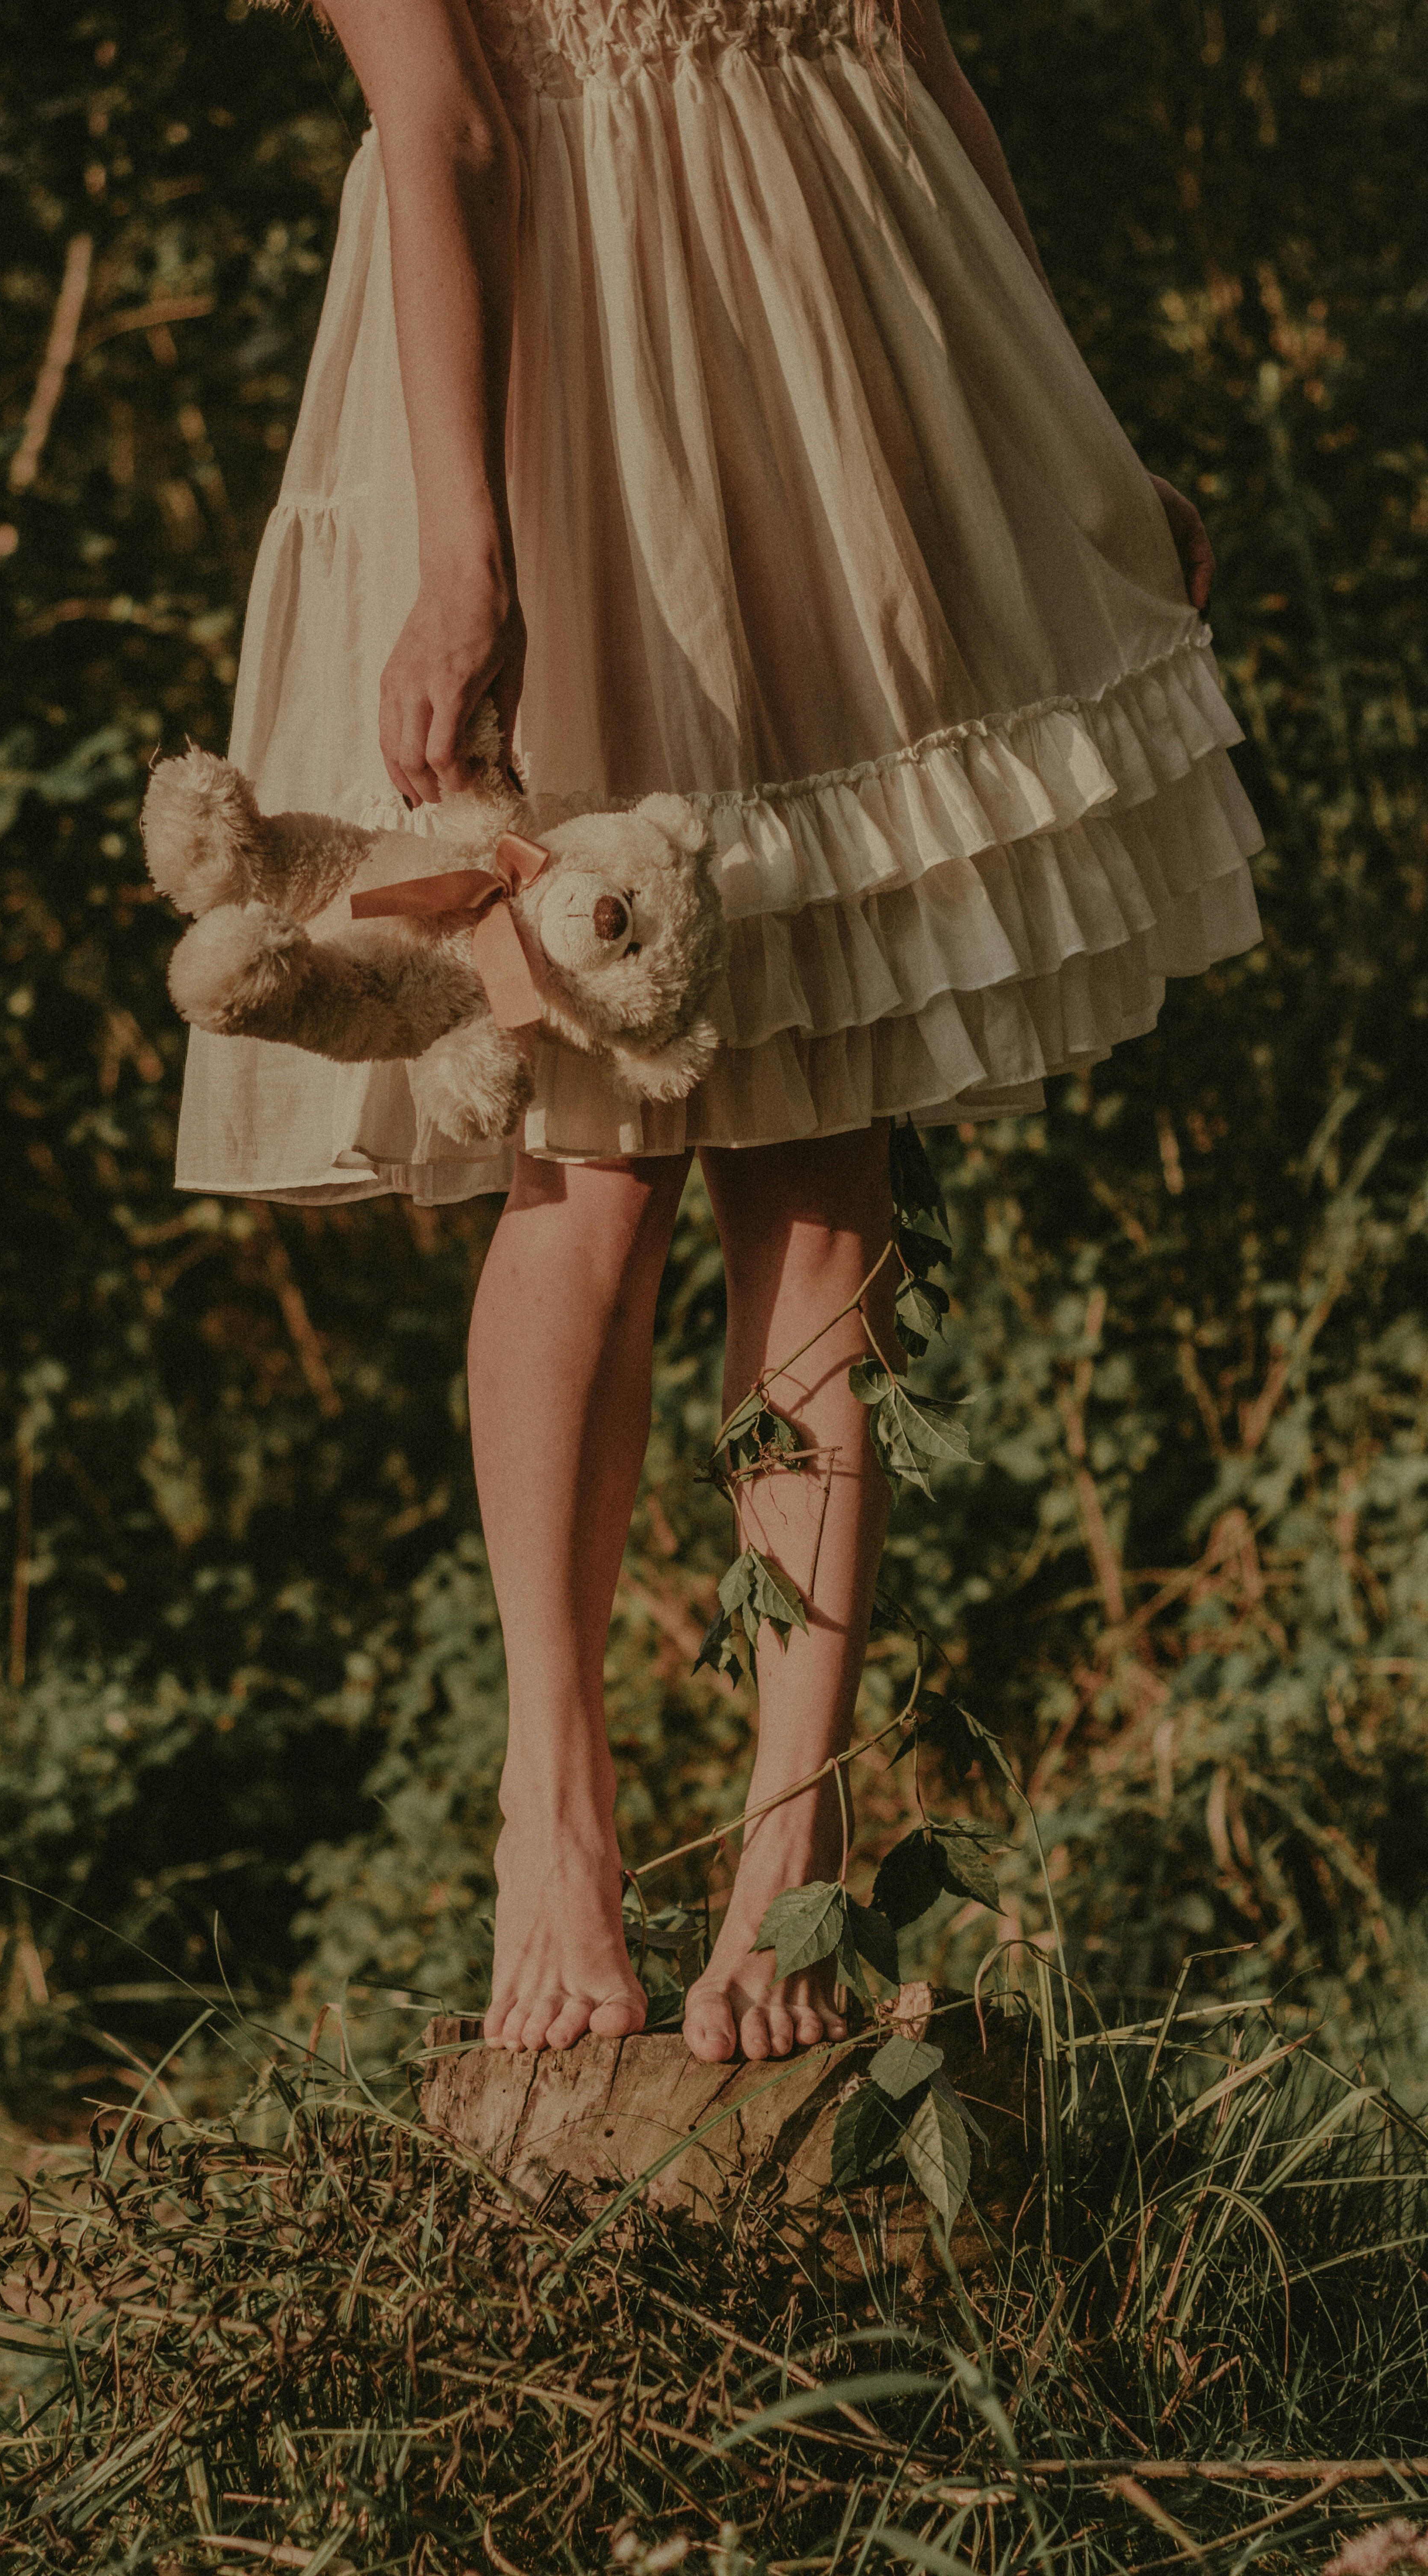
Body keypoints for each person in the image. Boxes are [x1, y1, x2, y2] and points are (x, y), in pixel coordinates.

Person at [176, 0, 1264, 2063]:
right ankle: (553, 1812)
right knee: (589, 1159)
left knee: (824, 1155)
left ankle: (796, 1839)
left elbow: (926, 71)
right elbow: (452, 129)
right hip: (566, 410)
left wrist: (1077, 468)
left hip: (858, 401)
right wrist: (466, 550)